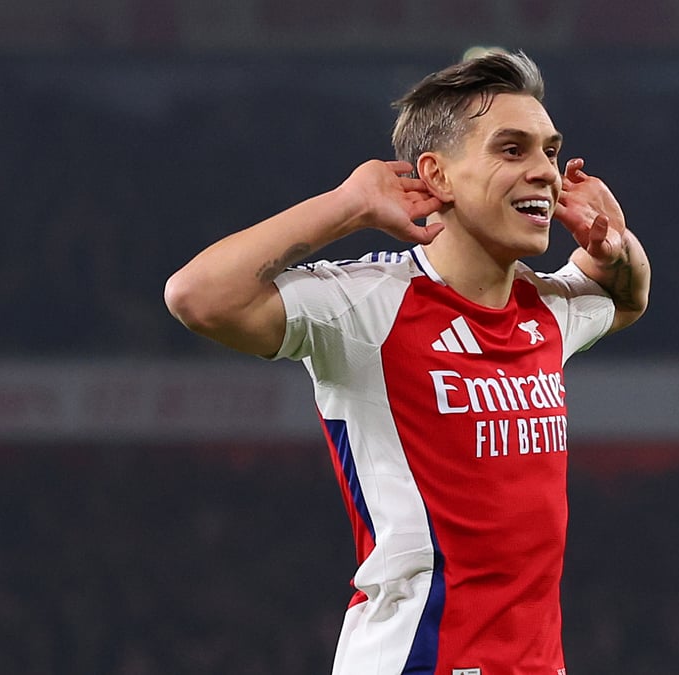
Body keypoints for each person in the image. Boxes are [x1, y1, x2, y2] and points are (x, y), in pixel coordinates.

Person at [164, 50, 650, 675]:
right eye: (512, 150)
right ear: (437, 176)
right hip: (416, 659)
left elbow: (626, 296)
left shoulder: (547, 309)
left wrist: (615, 239)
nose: (545, 173)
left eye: (550, 152)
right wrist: (348, 205)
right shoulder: (371, 306)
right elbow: (195, 296)